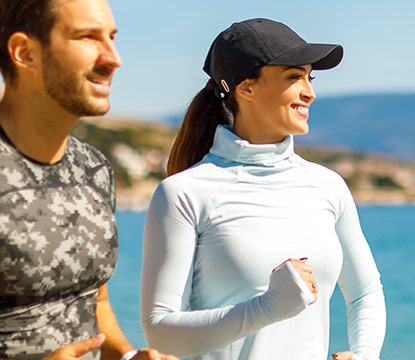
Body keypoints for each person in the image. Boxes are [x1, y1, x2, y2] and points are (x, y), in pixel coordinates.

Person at [139, 18, 385, 360]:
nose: (309, 91)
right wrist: (266, 308)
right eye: (293, 76)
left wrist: (366, 355)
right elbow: (161, 334)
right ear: (246, 87)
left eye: (309, 78)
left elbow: (365, 293)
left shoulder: (328, 186)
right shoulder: (183, 193)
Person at [0, 0, 174, 359]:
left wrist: (126, 355)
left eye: (111, 37)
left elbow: (95, 301)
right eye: (87, 37)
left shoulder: (94, 168)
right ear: (25, 52)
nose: (114, 58)